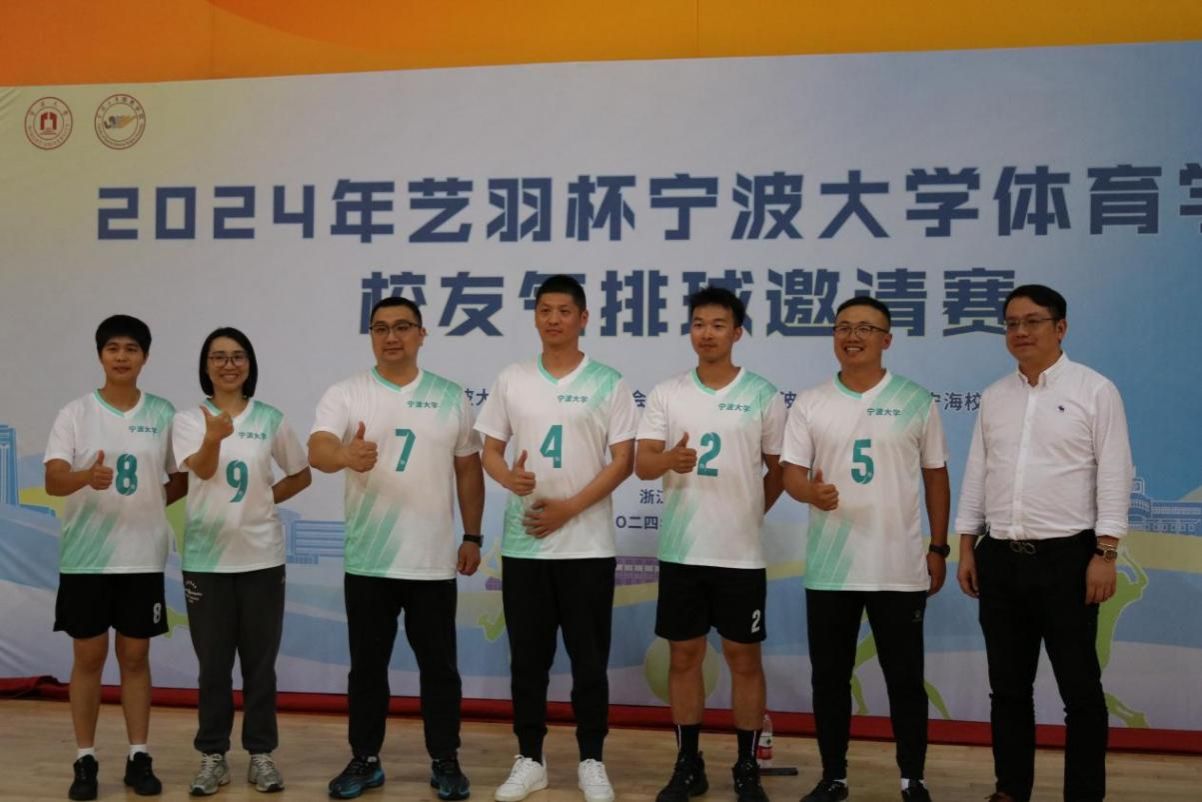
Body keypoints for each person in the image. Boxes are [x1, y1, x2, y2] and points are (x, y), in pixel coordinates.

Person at [955, 285, 1132, 802]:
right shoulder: (994, 396)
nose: (1020, 332)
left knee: (1080, 691)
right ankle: (1011, 790)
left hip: (1069, 559)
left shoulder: (1095, 390)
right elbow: (978, 475)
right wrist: (966, 547)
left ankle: (1083, 794)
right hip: (1000, 559)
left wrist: (1106, 552)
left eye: (1032, 321)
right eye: (1011, 323)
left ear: (1061, 327)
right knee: (1008, 689)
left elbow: (1115, 474)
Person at [309, 297, 485, 801]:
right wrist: (345, 455)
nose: (391, 337)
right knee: (367, 669)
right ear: (371, 335)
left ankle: (445, 759)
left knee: (440, 670)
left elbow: (468, 470)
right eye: (381, 328)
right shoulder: (347, 393)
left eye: (403, 327)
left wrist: (472, 536)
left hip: (432, 561)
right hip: (370, 560)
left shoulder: (450, 396)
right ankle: (365, 759)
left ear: (421, 334)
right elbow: (318, 449)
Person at [474, 274, 637, 802]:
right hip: (526, 544)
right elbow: (489, 449)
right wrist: (508, 478)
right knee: (528, 660)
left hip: (586, 546)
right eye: (545, 310)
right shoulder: (513, 378)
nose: (554, 319)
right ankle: (530, 758)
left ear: (583, 318)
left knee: (589, 661)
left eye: (564, 311)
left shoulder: (609, 382)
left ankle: (592, 759)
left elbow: (624, 460)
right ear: (536, 317)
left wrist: (570, 507)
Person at [780, 296, 950, 802]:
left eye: (865, 328)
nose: (852, 336)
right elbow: (791, 473)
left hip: (899, 566)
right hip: (831, 569)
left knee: (905, 679)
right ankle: (833, 776)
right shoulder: (810, 402)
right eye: (843, 327)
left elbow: (936, 477)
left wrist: (938, 547)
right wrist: (809, 492)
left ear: (886, 339)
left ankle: (913, 778)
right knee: (830, 679)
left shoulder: (916, 400)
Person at [635, 286, 785, 802]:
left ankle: (746, 765)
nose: (707, 333)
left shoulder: (762, 394)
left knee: (744, 658)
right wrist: (668, 461)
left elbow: (780, 470)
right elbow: (643, 463)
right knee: (683, 657)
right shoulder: (667, 393)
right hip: (683, 551)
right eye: (699, 324)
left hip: (740, 554)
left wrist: (750, 510)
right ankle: (688, 763)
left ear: (737, 332)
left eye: (718, 325)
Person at [44, 314, 187, 801]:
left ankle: (138, 755)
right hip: (86, 557)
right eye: (113, 348)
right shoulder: (76, 413)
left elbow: (180, 477)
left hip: (142, 556)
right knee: (88, 657)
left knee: (136, 656)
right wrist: (85, 477)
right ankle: (85, 758)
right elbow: (53, 480)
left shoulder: (163, 412)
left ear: (145, 357)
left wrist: (149, 502)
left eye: (131, 349)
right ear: (100, 355)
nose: (122, 357)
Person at [172, 327, 312, 795]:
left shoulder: (270, 418)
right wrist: (213, 437)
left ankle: (261, 754)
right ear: (205, 366)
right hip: (206, 561)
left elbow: (301, 474)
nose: (228, 365)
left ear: (249, 364)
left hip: (261, 559)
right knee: (213, 666)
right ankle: (213, 756)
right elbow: (202, 469)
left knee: (259, 665)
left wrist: (264, 500)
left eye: (237, 356)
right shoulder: (189, 420)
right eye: (218, 357)